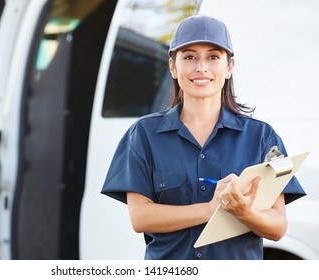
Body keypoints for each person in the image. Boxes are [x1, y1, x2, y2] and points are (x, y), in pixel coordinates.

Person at [100, 15, 306, 260]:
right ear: (173, 67)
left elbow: (278, 227)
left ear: (229, 67)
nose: (201, 68)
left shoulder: (263, 137)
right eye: (189, 57)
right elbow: (140, 217)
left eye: (213, 57)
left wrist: (244, 212)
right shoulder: (143, 135)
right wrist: (210, 210)